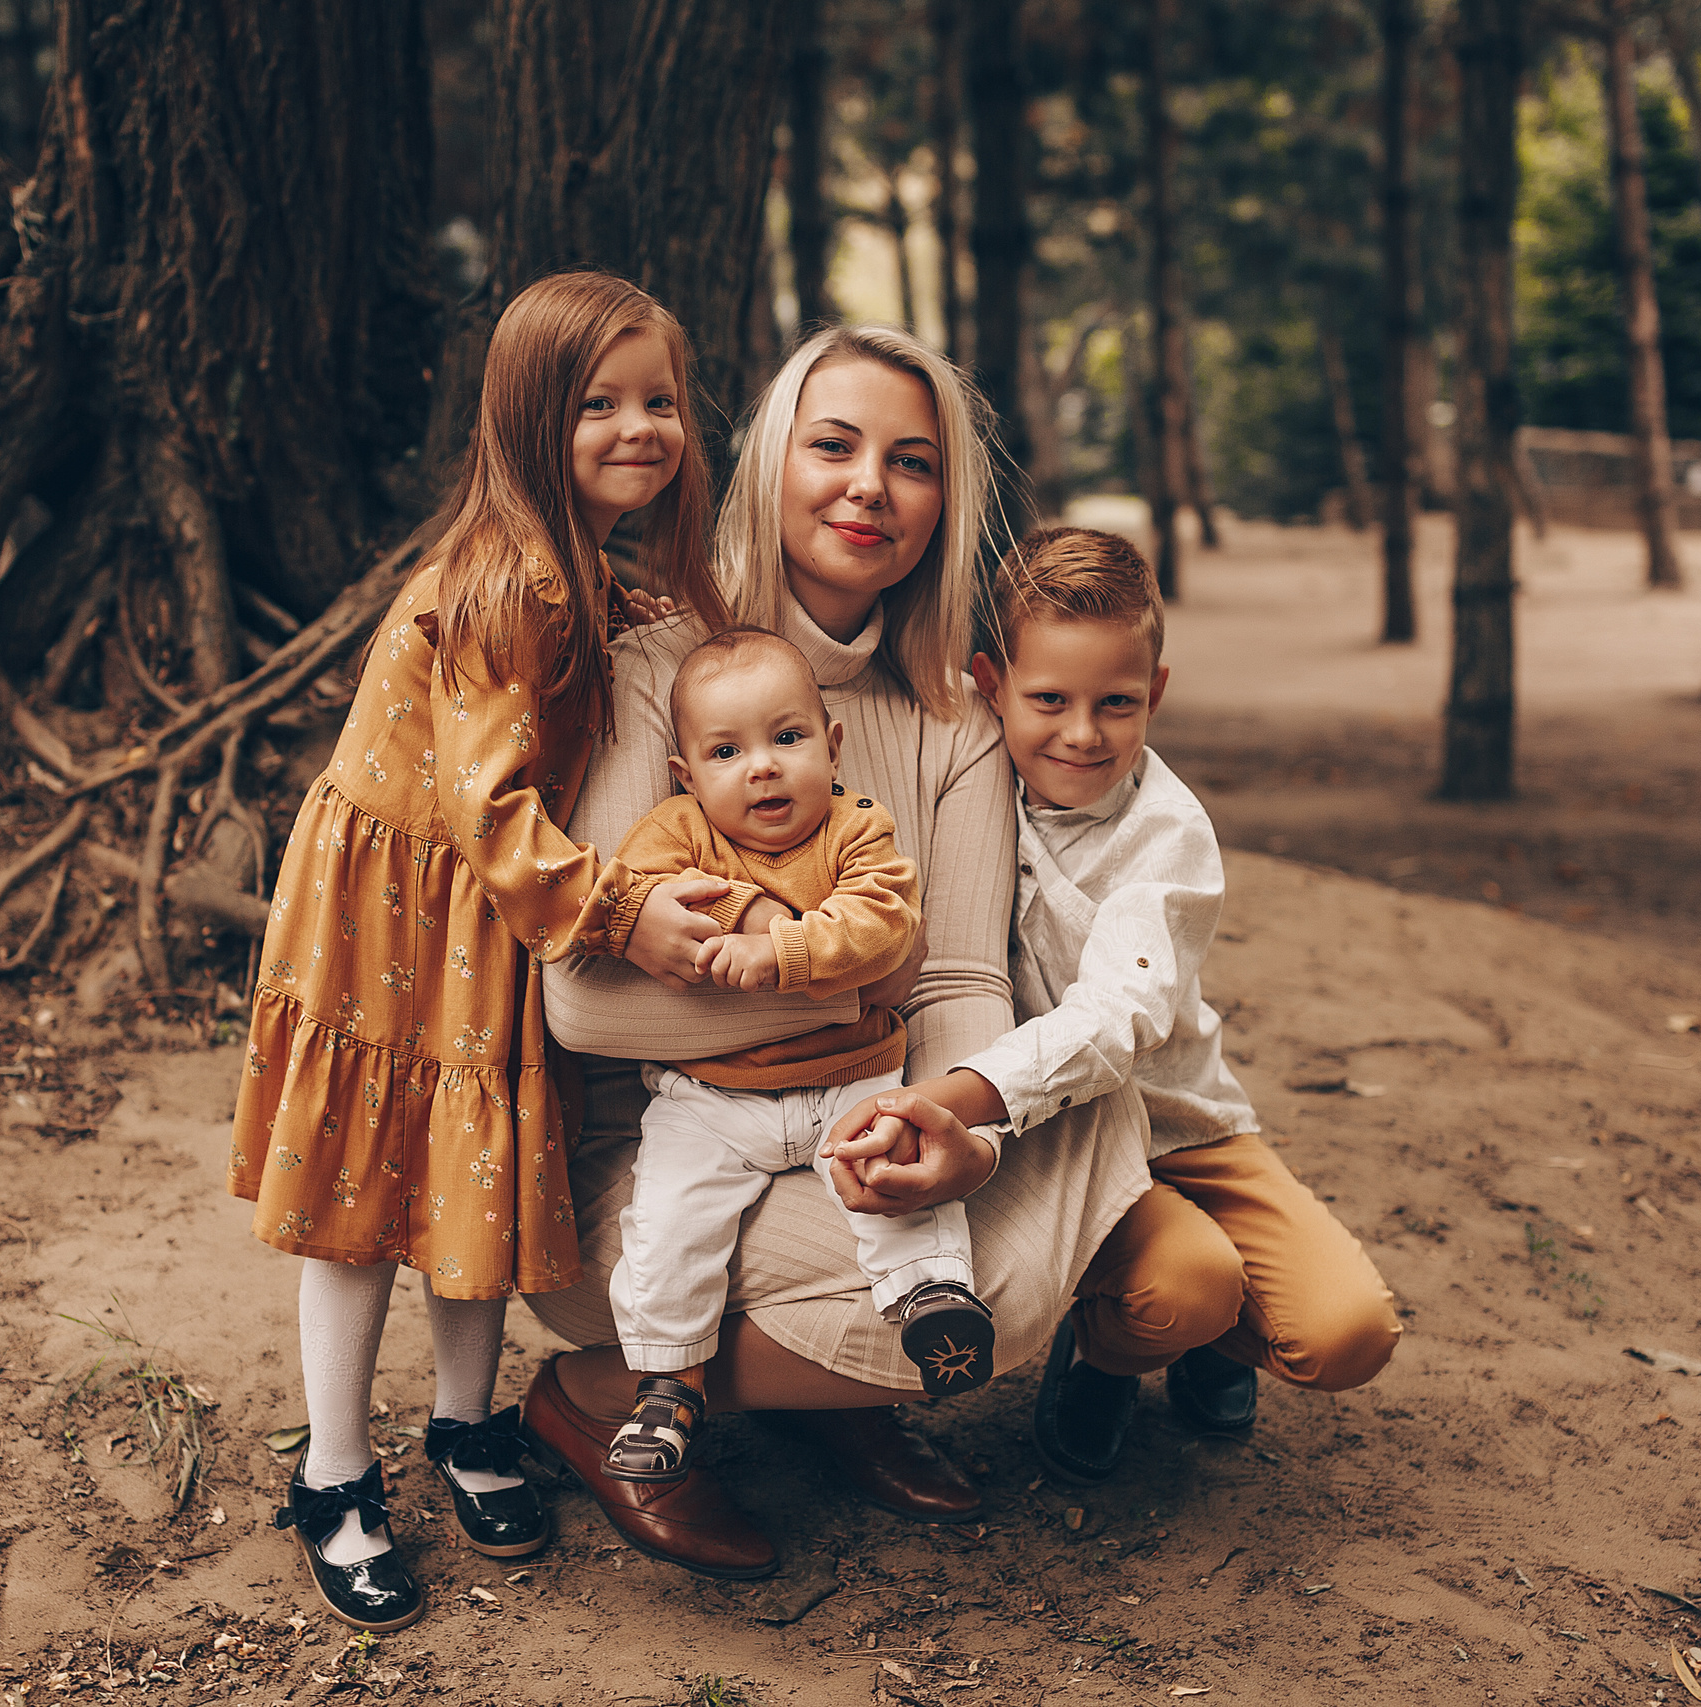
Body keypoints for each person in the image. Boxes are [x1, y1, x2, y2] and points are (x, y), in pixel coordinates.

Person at [524, 326, 1155, 1581]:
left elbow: (964, 980)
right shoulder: (653, 676)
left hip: (855, 1112)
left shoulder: (951, 723)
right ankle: (594, 1391)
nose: (869, 483)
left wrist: (942, 1128)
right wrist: (854, 980)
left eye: (910, 461)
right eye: (835, 444)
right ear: (770, 464)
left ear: (943, 502)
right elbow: (589, 1007)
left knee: (1075, 1134)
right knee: (987, 1290)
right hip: (655, 1149)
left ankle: (817, 1396)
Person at [228, 271, 732, 1631]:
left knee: (472, 1166)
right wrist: (623, 914)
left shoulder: (586, 570)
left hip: (477, 915)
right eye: (599, 403)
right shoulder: (514, 579)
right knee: (362, 1195)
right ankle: (334, 1473)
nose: (640, 426)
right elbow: (484, 800)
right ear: (527, 420)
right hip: (402, 909)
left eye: (661, 401)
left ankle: (463, 1423)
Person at [822, 525, 1400, 1486]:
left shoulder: (1167, 833)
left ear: (1156, 695)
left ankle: (1207, 1338)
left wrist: (957, 1101)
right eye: (1049, 699)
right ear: (988, 684)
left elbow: (1114, 1020)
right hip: (1052, 1136)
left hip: (1179, 1123)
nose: (1082, 733)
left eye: (1116, 703)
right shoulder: (963, 780)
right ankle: (1114, 1350)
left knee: (1347, 1334)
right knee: (1189, 1285)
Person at [598, 626, 994, 1489]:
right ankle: (669, 1382)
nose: (764, 767)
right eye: (727, 750)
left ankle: (932, 1297)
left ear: (832, 743)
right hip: (713, 1097)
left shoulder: (858, 830)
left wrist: (778, 950)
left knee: (891, 1164)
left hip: (851, 1078)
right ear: (686, 776)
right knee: (668, 1220)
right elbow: (636, 896)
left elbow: (885, 924)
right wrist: (732, 906)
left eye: (787, 737)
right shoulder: (673, 831)